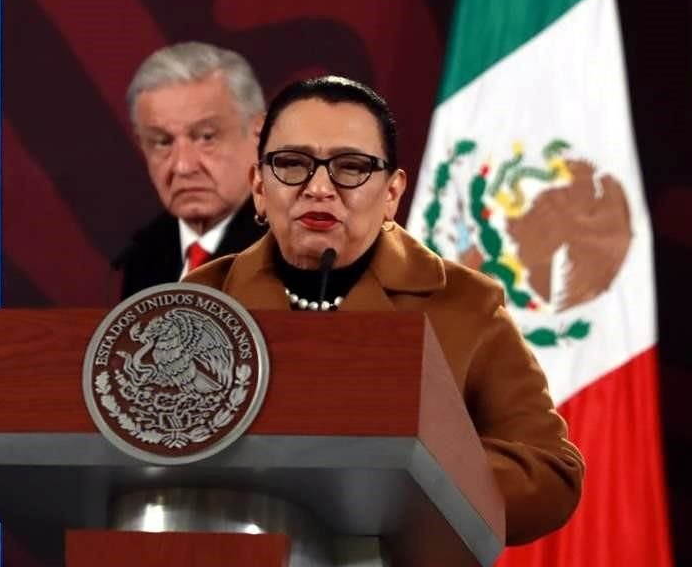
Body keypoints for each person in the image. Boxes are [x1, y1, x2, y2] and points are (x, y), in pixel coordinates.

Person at [184, 75, 584, 545]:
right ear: (258, 185)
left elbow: (551, 474)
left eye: (350, 167)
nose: (318, 188)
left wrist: (405, 469)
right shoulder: (205, 298)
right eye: (292, 164)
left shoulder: (465, 304)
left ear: (392, 193)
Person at [116, 42, 267, 299]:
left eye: (206, 137)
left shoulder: (294, 253)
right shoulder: (142, 258)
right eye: (162, 142)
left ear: (259, 133)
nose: (183, 166)